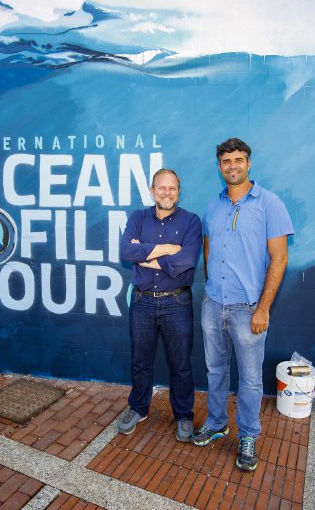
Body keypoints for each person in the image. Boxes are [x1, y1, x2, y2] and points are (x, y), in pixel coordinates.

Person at [193, 138, 294, 472]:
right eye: (225, 161)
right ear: (219, 166)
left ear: (248, 163)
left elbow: (279, 259)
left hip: (248, 309)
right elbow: (208, 253)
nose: (232, 166)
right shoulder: (213, 206)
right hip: (213, 304)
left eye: (238, 160)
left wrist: (263, 308)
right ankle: (217, 422)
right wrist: (211, 291)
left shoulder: (270, 204)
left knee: (250, 379)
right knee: (215, 370)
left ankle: (248, 434)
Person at [118, 169, 202, 441]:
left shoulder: (191, 222)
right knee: (140, 361)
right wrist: (167, 249)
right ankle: (138, 408)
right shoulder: (138, 218)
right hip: (142, 301)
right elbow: (127, 251)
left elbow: (186, 261)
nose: (167, 193)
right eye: (162, 188)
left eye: (172, 188)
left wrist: (145, 253)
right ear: (152, 190)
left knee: (181, 365)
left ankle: (184, 415)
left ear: (179, 191)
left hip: (177, 302)